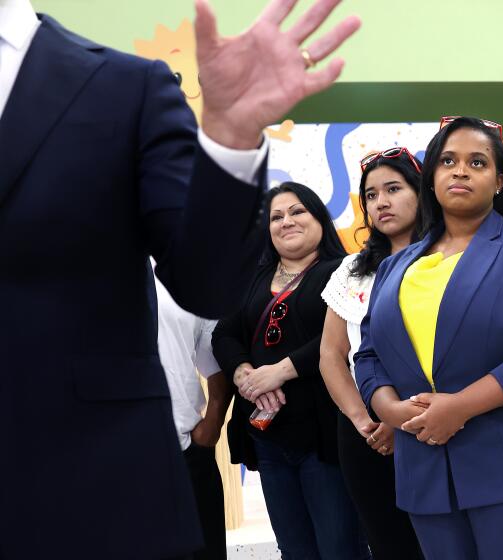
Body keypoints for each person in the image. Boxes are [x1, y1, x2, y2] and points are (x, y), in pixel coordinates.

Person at [0, 0, 359, 557]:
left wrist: (230, 139)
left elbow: (207, 287)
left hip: (87, 482)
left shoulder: (122, 87)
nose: (287, 223)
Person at [354, 116, 503, 560]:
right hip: (424, 466)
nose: (460, 171)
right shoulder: (394, 267)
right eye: (448, 161)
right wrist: (391, 410)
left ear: (499, 181)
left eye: (477, 163)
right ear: (432, 180)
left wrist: (460, 407)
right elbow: (368, 354)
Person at [212, 182, 369, 560]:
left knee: (340, 547)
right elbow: (224, 334)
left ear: (318, 217)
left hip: (326, 435)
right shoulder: (252, 275)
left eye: (297, 211)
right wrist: (246, 376)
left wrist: (280, 372)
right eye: (276, 216)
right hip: (269, 439)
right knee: (295, 549)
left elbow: (343, 334)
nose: (287, 222)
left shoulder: (346, 271)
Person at [320, 148, 425, 559]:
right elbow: (332, 355)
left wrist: (400, 422)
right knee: (386, 542)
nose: (380, 202)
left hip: (429, 421)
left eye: (393, 189)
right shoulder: (352, 270)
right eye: (371, 194)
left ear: (421, 193)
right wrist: (366, 422)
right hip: (364, 432)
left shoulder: (448, 258)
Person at [154, 270, 231, 560]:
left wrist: (213, 421)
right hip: (116, 454)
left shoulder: (189, 279)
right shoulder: (88, 277)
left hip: (187, 451)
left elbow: (216, 359)